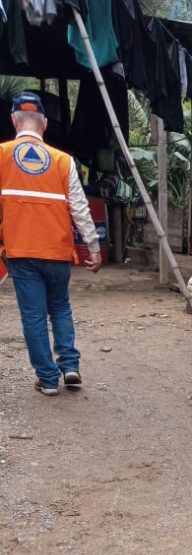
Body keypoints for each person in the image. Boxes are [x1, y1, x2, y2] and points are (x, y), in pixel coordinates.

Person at [0, 92, 101, 397]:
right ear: (43, 124)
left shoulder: (2, 155)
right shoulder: (63, 161)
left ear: (14, 121)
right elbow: (80, 207)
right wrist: (93, 247)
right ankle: (70, 366)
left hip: (21, 250)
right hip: (57, 250)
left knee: (33, 314)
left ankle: (47, 378)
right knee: (60, 306)